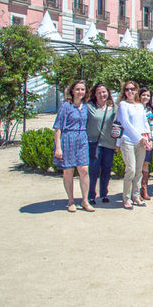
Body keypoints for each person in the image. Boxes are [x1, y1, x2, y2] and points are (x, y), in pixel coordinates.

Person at [53, 80, 93, 212]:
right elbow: (58, 127)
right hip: (68, 139)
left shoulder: (86, 106)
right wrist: (58, 147)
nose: (80, 92)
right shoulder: (66, 106)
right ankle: (70, 201)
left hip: (82, 139)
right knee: (68, 171)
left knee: (84, 170)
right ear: (72, 91)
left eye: (82, 89)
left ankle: (85, 200)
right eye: (77, 89)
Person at [116, 80, 153, 209]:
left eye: (132, 89)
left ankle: (136, 196)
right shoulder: (123, 105)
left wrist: (148, 138)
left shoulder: (139, 106)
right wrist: (139, 138)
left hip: (141, 142)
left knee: (139, 170)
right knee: (130, 170)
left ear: (136, 90)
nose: (130, 91)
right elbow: (125, 123)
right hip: (128, 141)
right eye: (127, 89)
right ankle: (126, 198)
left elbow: (145, 123)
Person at [86, 82, 117, 205]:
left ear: (108, 93)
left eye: (104, 92)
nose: (102, 94)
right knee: (93, 170)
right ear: (94, 94)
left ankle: (104, 194)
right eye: (99, 92)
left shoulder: (113, 109)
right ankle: (91, 195)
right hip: (95, 143)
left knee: (106, 170)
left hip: (109, 144)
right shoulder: (89, 107)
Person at [139, 87, 153, 200]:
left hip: (149, 140)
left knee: (145, 164)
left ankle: (144, 189)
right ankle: (134, 190)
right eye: (143, 95)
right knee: (136, 165)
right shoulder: (135, 108)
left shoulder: (150, 110)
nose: (145, 97)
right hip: (138, 140)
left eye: (148, 95)